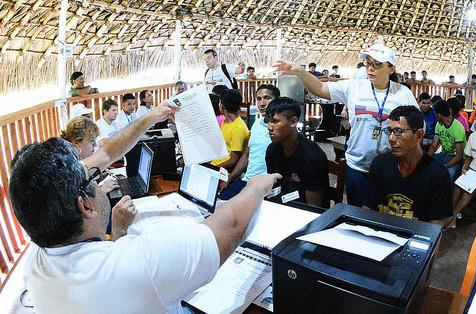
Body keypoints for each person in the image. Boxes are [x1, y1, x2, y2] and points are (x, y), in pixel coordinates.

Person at [11, 101, 281, 313]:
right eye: (93, 179)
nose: (97, 171)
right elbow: (231, 227)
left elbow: (106, 154)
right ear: (85, 207)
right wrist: (257, 186)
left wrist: (153, 116)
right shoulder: (139, 265)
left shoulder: (37, 256)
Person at [273, 44, 418, 206]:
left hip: (391, 168)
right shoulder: (354, 86)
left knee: (387, 214)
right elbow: (320, 88)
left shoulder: (403, 93)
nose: (370, 68)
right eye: (368, 63)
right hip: (357, 166)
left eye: (377, 64)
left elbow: (418, 126)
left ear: (391, 69)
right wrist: (300, 72)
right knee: (357, 215)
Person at [365, 106, 452, 225]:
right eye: (390, 131)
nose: (391, 138)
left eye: (398, 132)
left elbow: (435, 227)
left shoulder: (437, 174)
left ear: (419, 135)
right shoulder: (379, 165)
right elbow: (368, 209)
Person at [219, 84, 280, 200]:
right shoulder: (257, 123)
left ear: (276, 100)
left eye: (267, 98)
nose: (262, 103)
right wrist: (229, 179)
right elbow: (247, 154)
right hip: (246, 181)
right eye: (258, 99)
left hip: (264, 186)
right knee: (217, 201)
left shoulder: (280, 128)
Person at [265, 97, 328, 207]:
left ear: (293, 122)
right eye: (268, 121)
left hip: (306, 214)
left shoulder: (313, 157)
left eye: (275, 121)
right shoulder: (272, 150)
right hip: (279, 208)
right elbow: (272, 191)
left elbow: (313, 207)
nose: (269, 127)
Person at [60, 116, 120, 195]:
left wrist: (97, 177)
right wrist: (102, 190)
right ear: (77, 143)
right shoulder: (69, 168)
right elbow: (80, 202)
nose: (95, 145)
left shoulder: (74, 159)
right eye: (91, 141)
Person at [427, 100, 466, 189]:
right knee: (428, 166)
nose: (435, 117)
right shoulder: (439, 125)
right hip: (444, 154)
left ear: (439, 115)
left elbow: (459, 156)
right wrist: (427, 160)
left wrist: (445, 166)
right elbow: (434, 145)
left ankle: (448, 198)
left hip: (456, 159)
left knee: (450, 173)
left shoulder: (458, 128)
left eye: (435, 114)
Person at [211, 89, 250, 171]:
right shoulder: (225, 122)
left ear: (222, 106)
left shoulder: (238, 128)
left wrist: (212, 169)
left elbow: (233, 160)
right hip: (216, 163)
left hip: (223, 172)